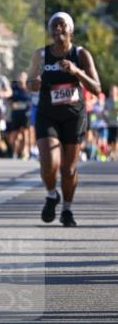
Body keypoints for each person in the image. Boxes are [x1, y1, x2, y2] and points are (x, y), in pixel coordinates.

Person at [27, 11, 101, 227]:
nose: (58, 29)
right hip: (47, 114)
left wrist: (77, 71)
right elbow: (30, 81)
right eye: (54, 26)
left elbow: (96, 88)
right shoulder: (41, 55)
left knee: (68, 169)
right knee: (49, 164)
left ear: (71, 30)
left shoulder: (80, 54)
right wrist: (34, 83)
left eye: (62, 25)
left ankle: (67, 210)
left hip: (74, 116)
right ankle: (52, 195)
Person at [5, 71, 31, 160]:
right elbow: (8, 100)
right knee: (14, 135)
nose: (21, 78)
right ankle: (15, 152)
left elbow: (32, 100)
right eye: (19, 76)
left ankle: (25, 152)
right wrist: (11, 104)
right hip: (15, 114)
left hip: (26, 114)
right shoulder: (14, 88)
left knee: (25, 133)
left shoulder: (29, 88)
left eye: (23, 77)